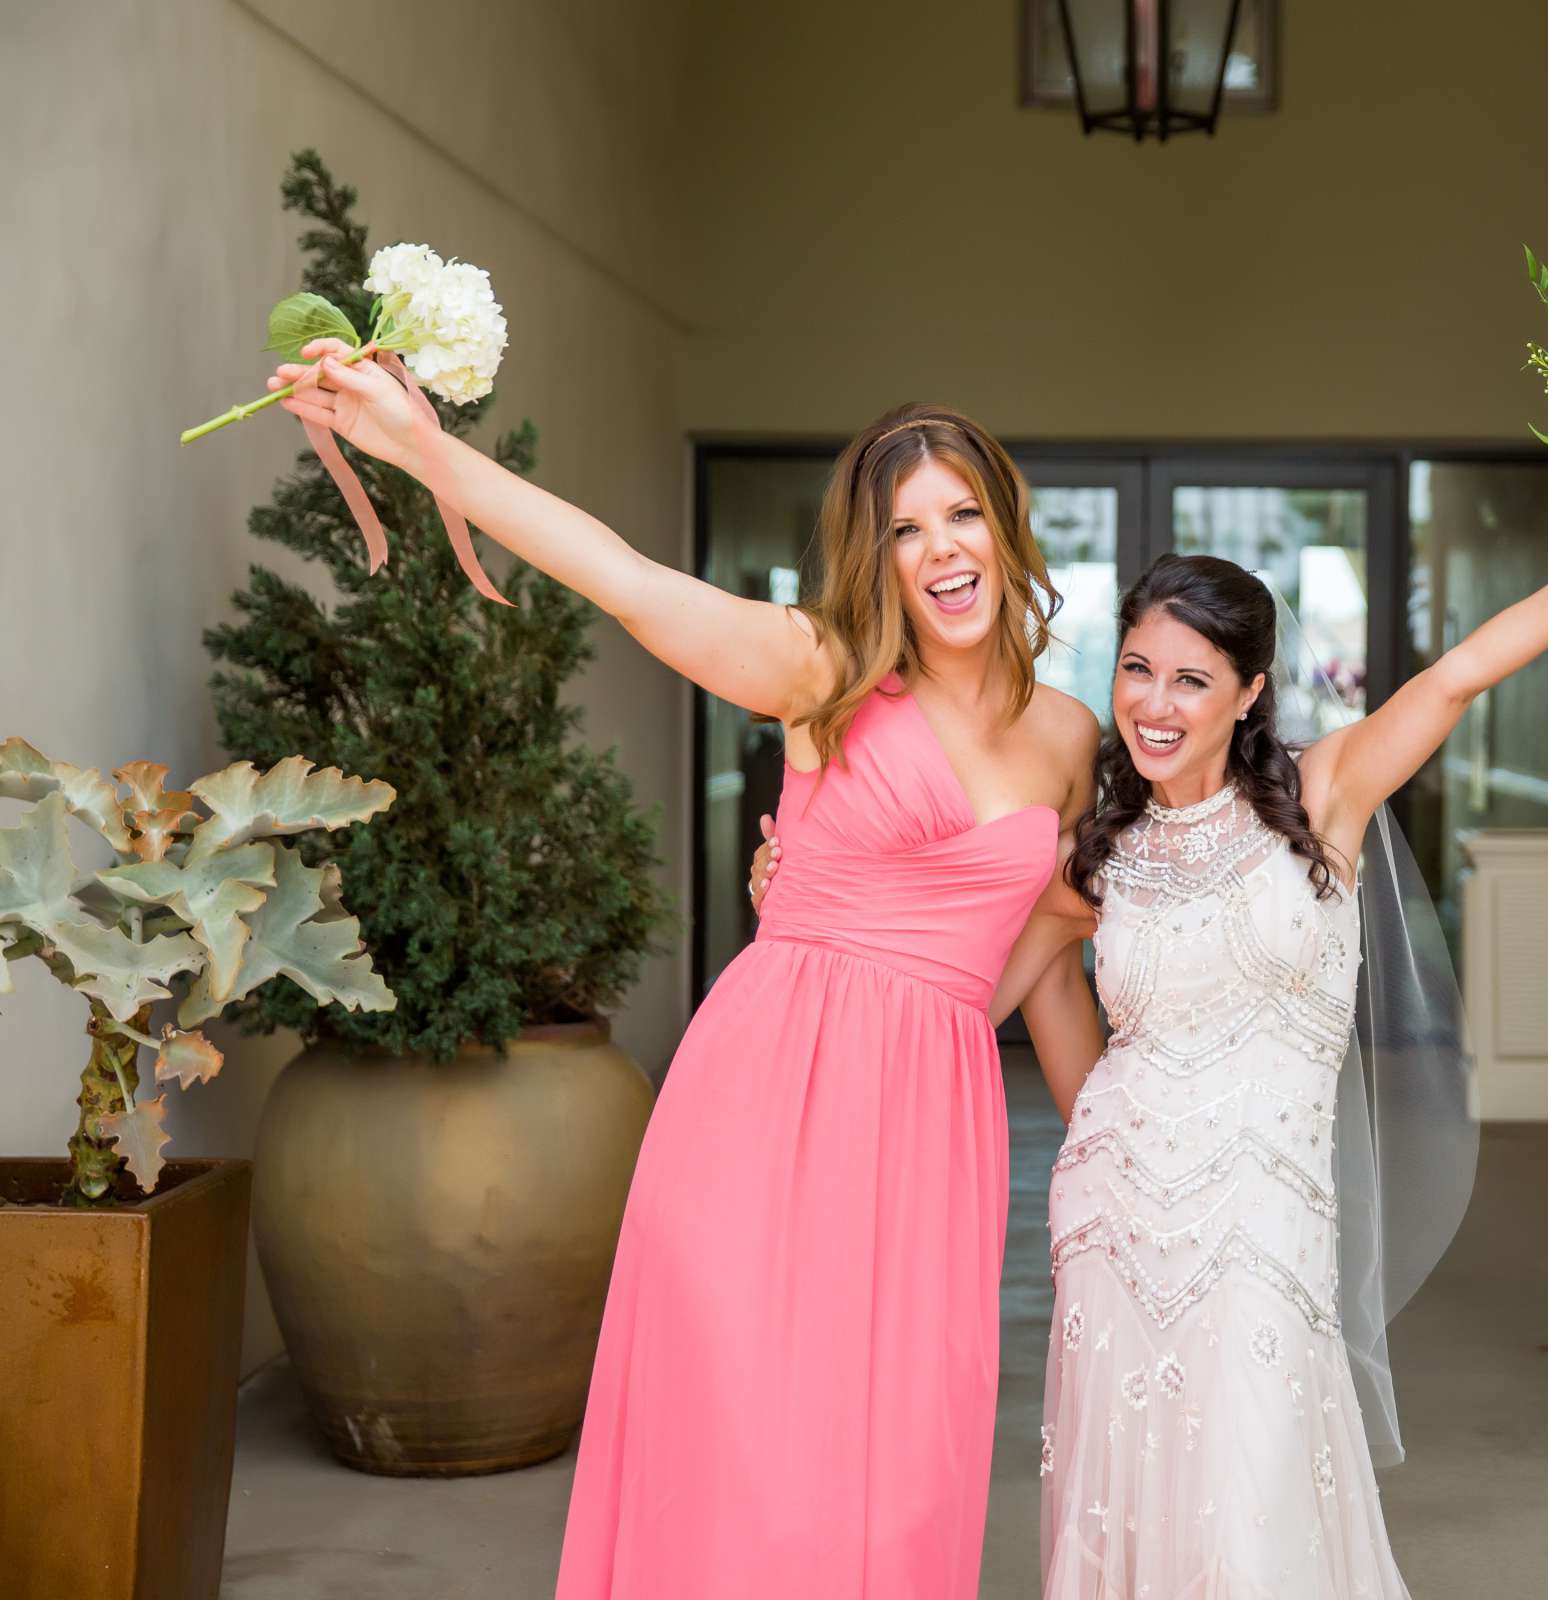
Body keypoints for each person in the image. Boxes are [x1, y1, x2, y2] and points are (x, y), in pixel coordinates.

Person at [273, 345, 1097, 1598]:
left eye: (963, 513)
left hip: (935, 1126)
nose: (942, 550)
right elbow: (622, 578)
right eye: (906, 529)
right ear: (875, 559)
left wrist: (1124, 1156)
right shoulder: (821, 675)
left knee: (907, 1467)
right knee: (754, 1464)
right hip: (768, 1100)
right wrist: (414, 445)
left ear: (1006, 523)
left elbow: (1033, 960)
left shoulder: (1070, 738)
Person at [754, 496, 1548, 1596]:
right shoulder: (1093, 857)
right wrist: (798, 887)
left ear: (1247, 695)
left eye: (1191, 680)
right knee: (1128, 1516)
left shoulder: (1323, 798)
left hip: (1265, 1233)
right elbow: (946, 986)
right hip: (1115, 1230)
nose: (1154, 703)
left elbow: (1454, 680)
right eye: (1137, 668)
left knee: (1252, 1513)